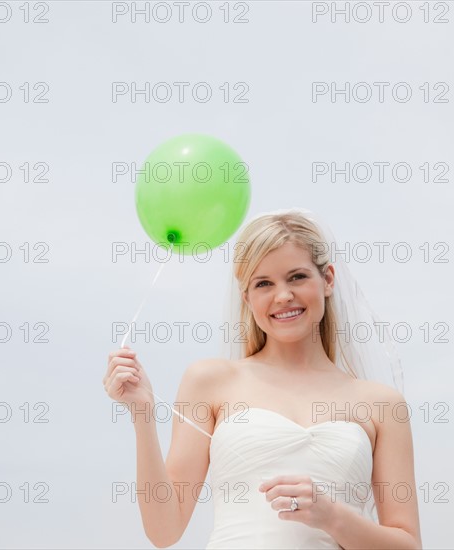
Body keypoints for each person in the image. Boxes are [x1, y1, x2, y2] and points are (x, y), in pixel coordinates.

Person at [103, 209, 422, 549]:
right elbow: (164, 531)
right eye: (264, 283)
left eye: (297, 277)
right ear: (247, 297)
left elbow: (408, 544)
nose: (282, 295)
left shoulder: (382, 404)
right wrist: (142, 415)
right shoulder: (210, 381)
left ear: (328, 279)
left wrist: (333, 517)